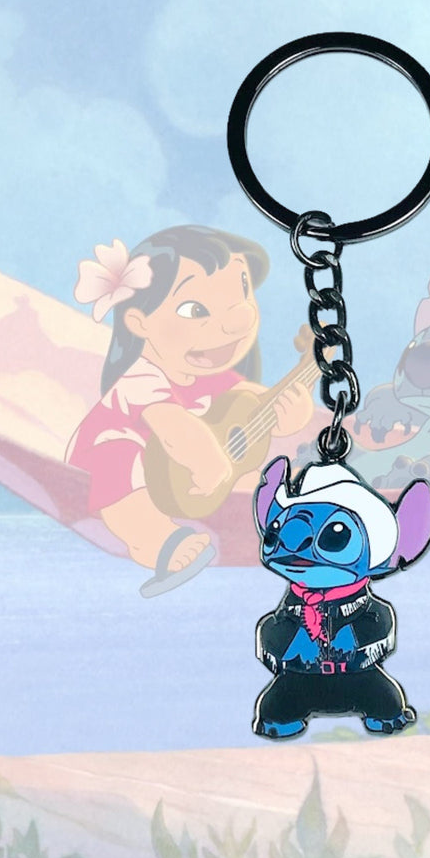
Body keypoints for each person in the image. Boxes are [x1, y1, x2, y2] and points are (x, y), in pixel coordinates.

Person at [66, 225, 314, 594]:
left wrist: (291, 412)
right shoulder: (142, 378)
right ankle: (154, 540)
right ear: (139, 323)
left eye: (243, 288)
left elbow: (255, 401)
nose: (239, 319)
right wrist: (205, 458)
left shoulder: (210, 376)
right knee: (117, 460)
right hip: (109, 465)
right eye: (194, 310)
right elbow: (174, 427)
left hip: (181, 483)